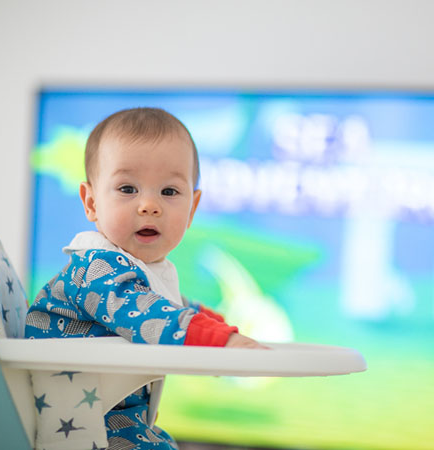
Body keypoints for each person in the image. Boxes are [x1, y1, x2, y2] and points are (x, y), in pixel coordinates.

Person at [25, 107, 265, 449]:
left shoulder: (135, 272)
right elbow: (146, 313)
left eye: (169, 192)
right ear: (91, 202)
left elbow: (164, 303)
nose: (149, 205)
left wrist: (216, 325)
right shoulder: (94, 269)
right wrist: (219, 340)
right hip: (77, 429)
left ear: (192, 209)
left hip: (117, 420)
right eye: (127, 188)